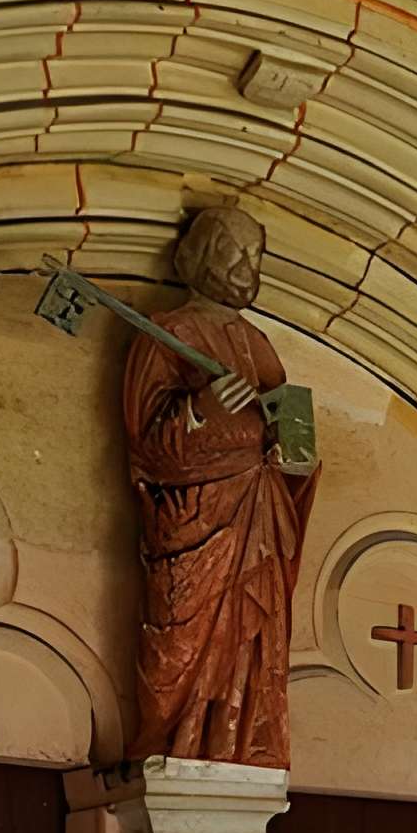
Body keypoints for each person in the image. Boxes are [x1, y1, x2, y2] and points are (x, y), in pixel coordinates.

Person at [123, 204, 311, 767]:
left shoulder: (260, 346)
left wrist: (295, 444)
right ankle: (173, 741)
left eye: (256, 253)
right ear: (204, 253)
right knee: (178, 647)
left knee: (253, 643)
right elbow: (148, 446)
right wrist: (200, 410)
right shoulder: (169, 333)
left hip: (257, 519)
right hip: (196, 518)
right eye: (236, 250)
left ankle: (239, 739)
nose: (248, 265)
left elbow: (293, 452)